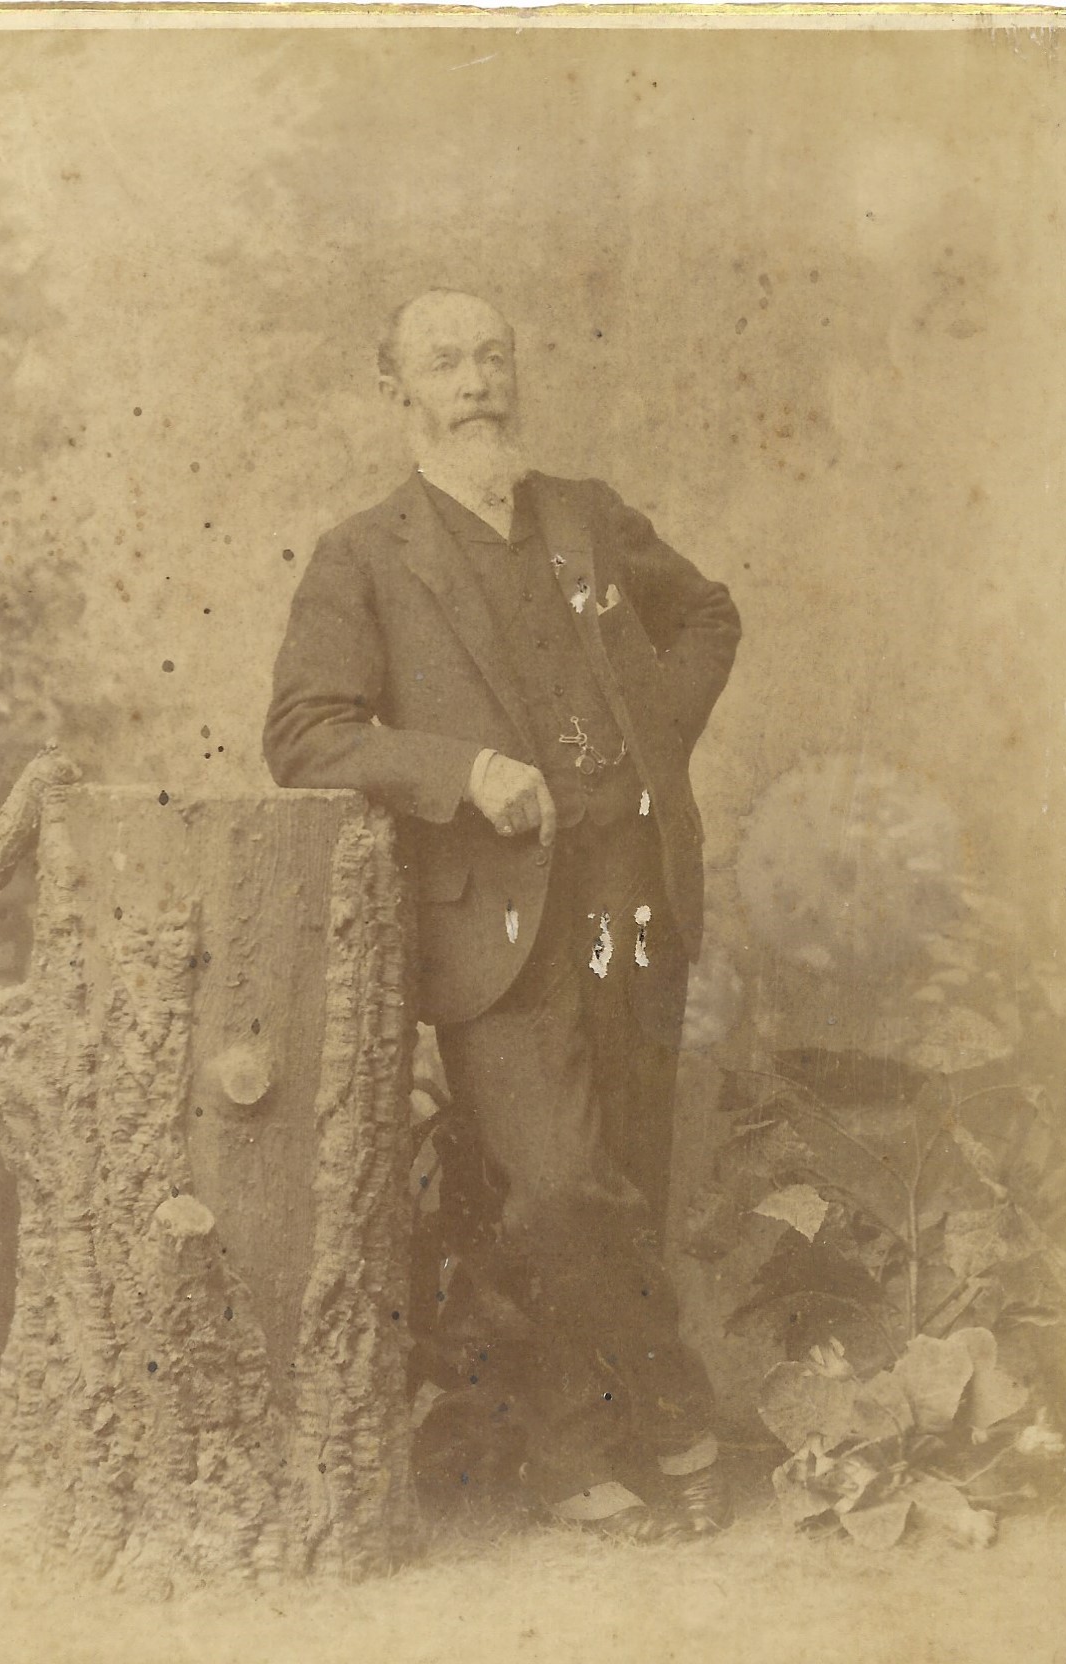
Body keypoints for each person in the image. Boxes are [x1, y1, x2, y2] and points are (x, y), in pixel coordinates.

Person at [264, 288, 741, 1541]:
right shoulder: (364, 555)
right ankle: (667, 1415)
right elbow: (303, 731)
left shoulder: (583, 516)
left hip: (628, 897)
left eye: (491, 357)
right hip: (492, 926)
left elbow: (705, 614)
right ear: (396, 391)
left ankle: (585, 1451)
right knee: (558, 1190)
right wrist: (462, 773)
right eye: (444, 363)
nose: (475, 382)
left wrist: (650, 739)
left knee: (623, 1176)